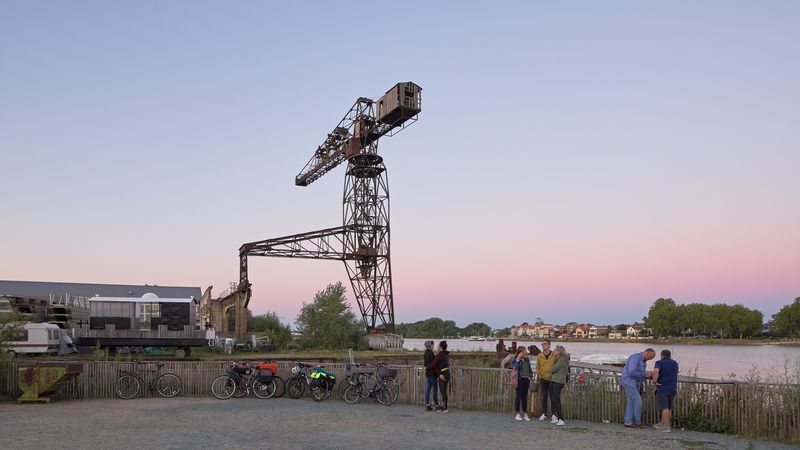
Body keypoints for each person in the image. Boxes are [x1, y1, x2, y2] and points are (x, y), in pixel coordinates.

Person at [621, 348, 657, 428]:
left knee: (631, 402)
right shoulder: (636, 358)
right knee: (638, 401)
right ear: (647, 353)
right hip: (629, 382)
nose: (651, 359)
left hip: (633, 383)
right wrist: (644, 374)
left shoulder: (642, 360)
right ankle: (637, 422)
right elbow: (632, 371)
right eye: (651, 357)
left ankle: (628, 422)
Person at [652, 349, 679, 432]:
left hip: (663, 387)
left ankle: (666, 427)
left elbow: (656, 371)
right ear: (670, 355)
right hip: (673, 388)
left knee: (664, 407)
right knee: (669, 407)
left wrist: (654, 382)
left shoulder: (659, 362)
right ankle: (662, 423)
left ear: (662, 355)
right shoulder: (675, 363)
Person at [548, 344, 569, 426]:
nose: (553, 352)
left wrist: (549, 368)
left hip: (559, 381)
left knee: (556, 399)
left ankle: (561, 418)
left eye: (555, 350)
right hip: (553, 380)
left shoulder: (562, 359)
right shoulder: (556, 359)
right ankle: (555, 416)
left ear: (559, 352)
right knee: (553, 399)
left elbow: (553, 369)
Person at [511, 346, 532, 421]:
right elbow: (515, 367)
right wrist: (518, 359)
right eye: (524, 351)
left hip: (526, 379)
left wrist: (530, 375)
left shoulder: (527, 359)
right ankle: (517, 413)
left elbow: (529, 368)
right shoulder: (515, 359)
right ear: (520, 352)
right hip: (519, 379)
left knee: (524, 397)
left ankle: (525, 413)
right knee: (519, 396)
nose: (526, 352)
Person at [536, 339, 555, 421]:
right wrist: (540, 375)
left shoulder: (554, 355)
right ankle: (544, 414)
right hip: (543, 379)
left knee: (553, 397)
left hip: (552, 379)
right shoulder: (539, 356)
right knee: (544, 397)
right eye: (542, 344)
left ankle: (554, 414)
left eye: (545, 344)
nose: (543, 345)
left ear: (549, 345)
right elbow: (537, 367)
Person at [433, 340, 450, 413]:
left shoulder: (440, 355)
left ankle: (445, 408)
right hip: (447, 372)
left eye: (438, 345)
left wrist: (439, 374)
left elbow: (435, 365)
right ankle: (444, 406)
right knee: (444, 391)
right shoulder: (446, 354)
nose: (437, 346)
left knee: (443, 391)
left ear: (441, 347)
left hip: (443, 373)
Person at [423, 340, 439, 411]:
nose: (433, 346)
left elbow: (425, 364)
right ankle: (436, 405)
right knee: (434, 390)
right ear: (430, 345)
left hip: (428, 373)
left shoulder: (425, 353)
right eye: (432, 345)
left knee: (428, 389)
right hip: (432, 374)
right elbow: (434, 364)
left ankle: (427, 405)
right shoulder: (431, 354)